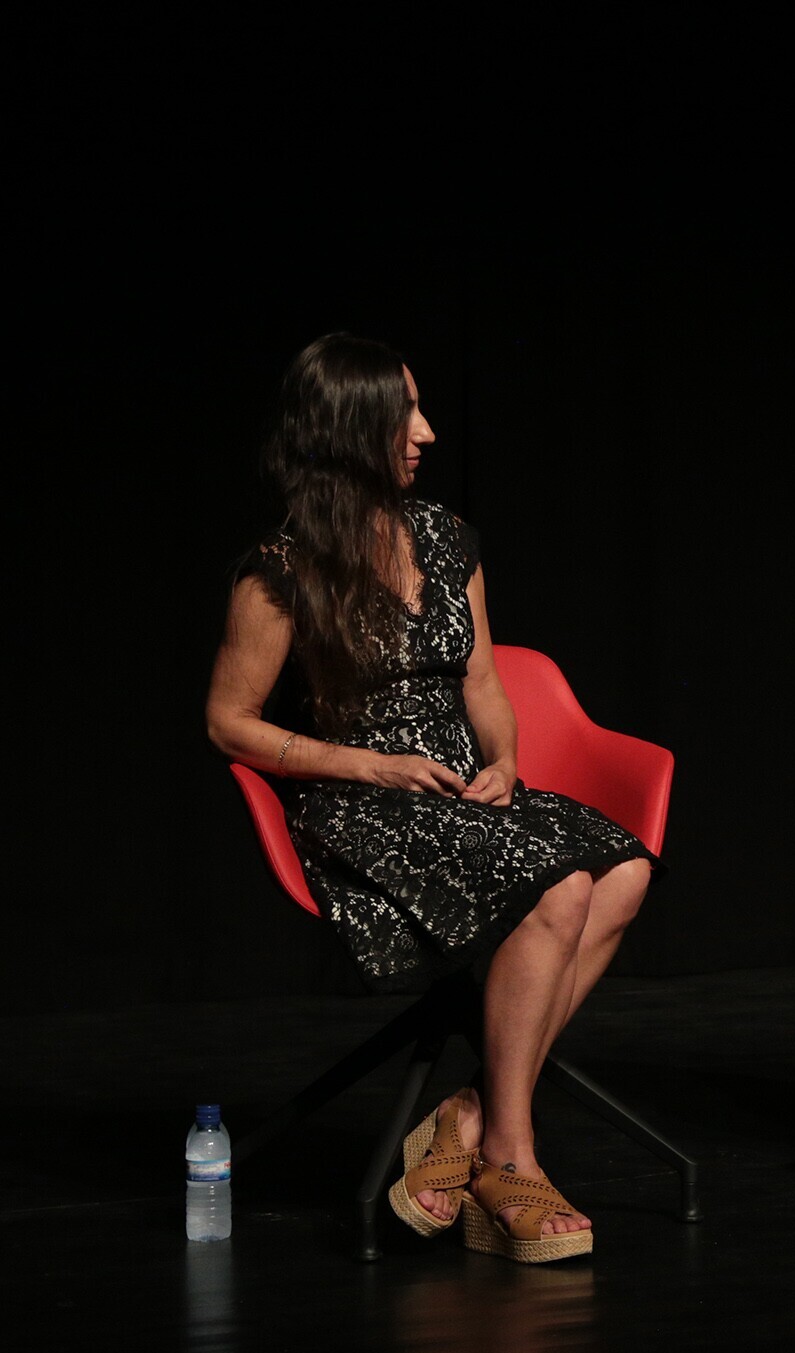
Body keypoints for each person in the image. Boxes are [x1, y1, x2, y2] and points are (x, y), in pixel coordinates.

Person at [205, 333, 654, 1260]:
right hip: (361, 802)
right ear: (349, 428)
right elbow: (230, 723)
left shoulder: (448, 539)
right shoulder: (280, 570)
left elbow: (484, 681)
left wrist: (505, 761)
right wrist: (368, 765)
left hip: (460, 787)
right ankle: (515, 1159)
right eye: (404, 413)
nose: (427, 431)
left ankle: (471, 1113)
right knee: (559, 884)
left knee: (624, 869)